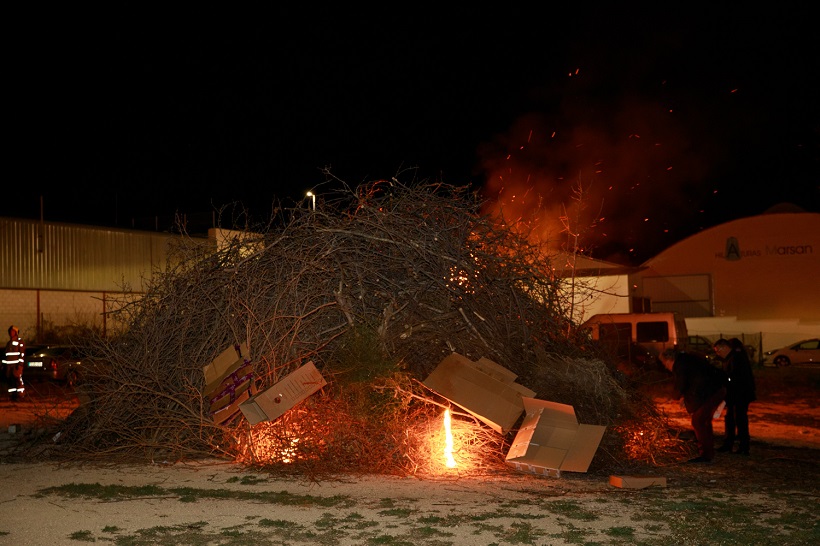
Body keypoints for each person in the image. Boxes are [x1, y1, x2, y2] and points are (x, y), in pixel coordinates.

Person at [660, 348, 727, 463]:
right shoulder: (686, 360)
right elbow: (691, 381)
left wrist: (676, 396)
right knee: (703, 420)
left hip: (712, 391)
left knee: (698, 420)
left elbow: (682, 384)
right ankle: (708, 452)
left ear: (669, 359)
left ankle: (706, 455)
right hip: (716, 389)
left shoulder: (680, 364)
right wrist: (684, 397)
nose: (666, 367)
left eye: (664, 363)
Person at [714, 338, 757, 455]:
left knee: (740, 419)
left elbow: (735, 377)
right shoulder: (730, 358)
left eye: (718, 350)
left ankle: (743, 447)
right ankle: (729, 444)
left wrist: (724, 378)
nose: (717, 353)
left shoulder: (736, 358)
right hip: (734, 394)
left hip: (740, 394)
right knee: (730, 419)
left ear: (724, 347)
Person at [3, 325, 26, 400]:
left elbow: (22, 354)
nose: (11, 333)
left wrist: (20, 364)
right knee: (11, 381)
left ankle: (21, 395)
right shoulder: (8, 343)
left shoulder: (20, 342)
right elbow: (6, 355)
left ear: (16, 332)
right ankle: (13, 395)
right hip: (9, 366)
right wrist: (4, 364)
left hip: (16, 366)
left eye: (12, 332)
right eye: (10, 332)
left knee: (18, 380)